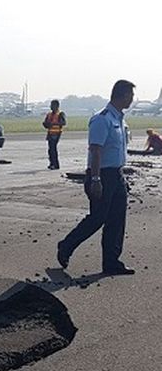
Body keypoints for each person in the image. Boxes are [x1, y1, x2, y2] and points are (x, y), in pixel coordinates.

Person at [57, 80, 136, 275]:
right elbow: (96, 150)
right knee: (97, 218)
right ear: (122, 95)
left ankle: (111, 262)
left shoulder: (120, 119)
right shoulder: (103, 119)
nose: (132, 99)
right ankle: (66, 246)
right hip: (102, 175)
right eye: (131, 95)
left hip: (117, 175)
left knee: (117, 220)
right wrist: (95, 179)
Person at [42, 99, 66, 169]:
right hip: (50, 133)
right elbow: (46, 123)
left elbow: (63, 123)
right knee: (50, 150)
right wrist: (46, 124)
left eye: (52, 105)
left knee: (53, 149)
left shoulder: (60, 114)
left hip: (56, 134)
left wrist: (53, 124)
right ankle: (52, 163)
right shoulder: (49, 114)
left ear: (57, 106)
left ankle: (55, 164)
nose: (51, 107)